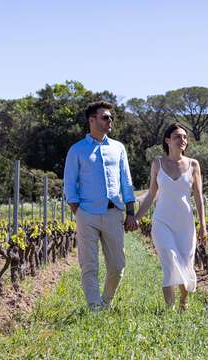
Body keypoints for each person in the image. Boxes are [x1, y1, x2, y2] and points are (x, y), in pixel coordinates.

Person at [64, 100, 139, 310]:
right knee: (89, 265)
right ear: (92, 120)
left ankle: (106, 301)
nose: (110, 121)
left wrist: (130, 212)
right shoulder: (77, 150)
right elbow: (69, 184)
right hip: (86, 213)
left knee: (117, 265)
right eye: (105, 117)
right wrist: (77, 211)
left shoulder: (118, 148)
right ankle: (94, 308)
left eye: (111, 117)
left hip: (114, 213)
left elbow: (126, 181)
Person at [134, 123, 207, 311]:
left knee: (184, 263)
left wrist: (203, 226)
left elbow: (198, 197)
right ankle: (169, 309)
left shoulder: (193, 165)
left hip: (185, 225)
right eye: (177, 136)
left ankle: (184, 300)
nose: (182, 140)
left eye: (184, 137)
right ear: (167, 140)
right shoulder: (157, 163)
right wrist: (137, 217)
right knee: (169, 259)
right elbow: (151, 194)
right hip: (162, 222)